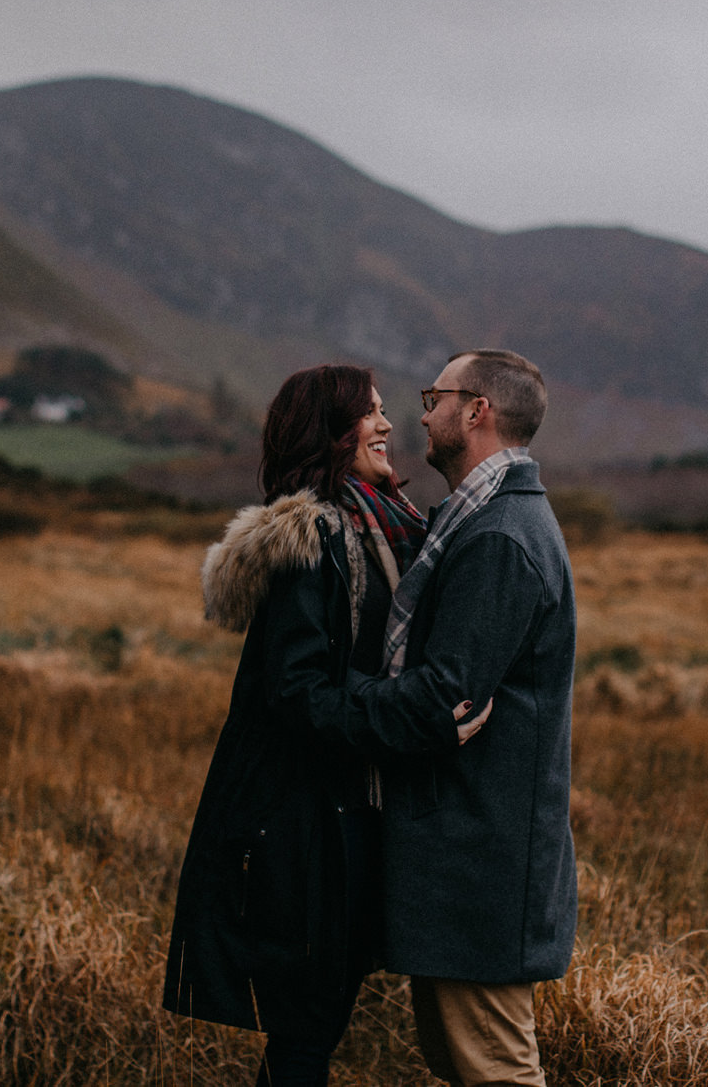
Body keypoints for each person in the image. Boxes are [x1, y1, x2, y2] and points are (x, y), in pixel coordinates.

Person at [162, 364, 488, 1087]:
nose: (386, 423)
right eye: (366, 413)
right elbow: (300, 694)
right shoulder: (314, 540)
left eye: (381, 409)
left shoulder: (385, 526)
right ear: (330, 436)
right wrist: (420, 720)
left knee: (314, 1026)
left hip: (351, 816)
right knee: (307, 1033)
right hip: (307, 831)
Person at [300, 348, 577, 1087]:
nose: (421, 413)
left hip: (479, 863)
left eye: (435, 396)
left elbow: (439, 698)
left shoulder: (499, 538)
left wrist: (323, 700)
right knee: (468, 1063)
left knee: (497, 1070)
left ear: (476, 410)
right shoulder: (477, 520)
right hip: (465, 853)